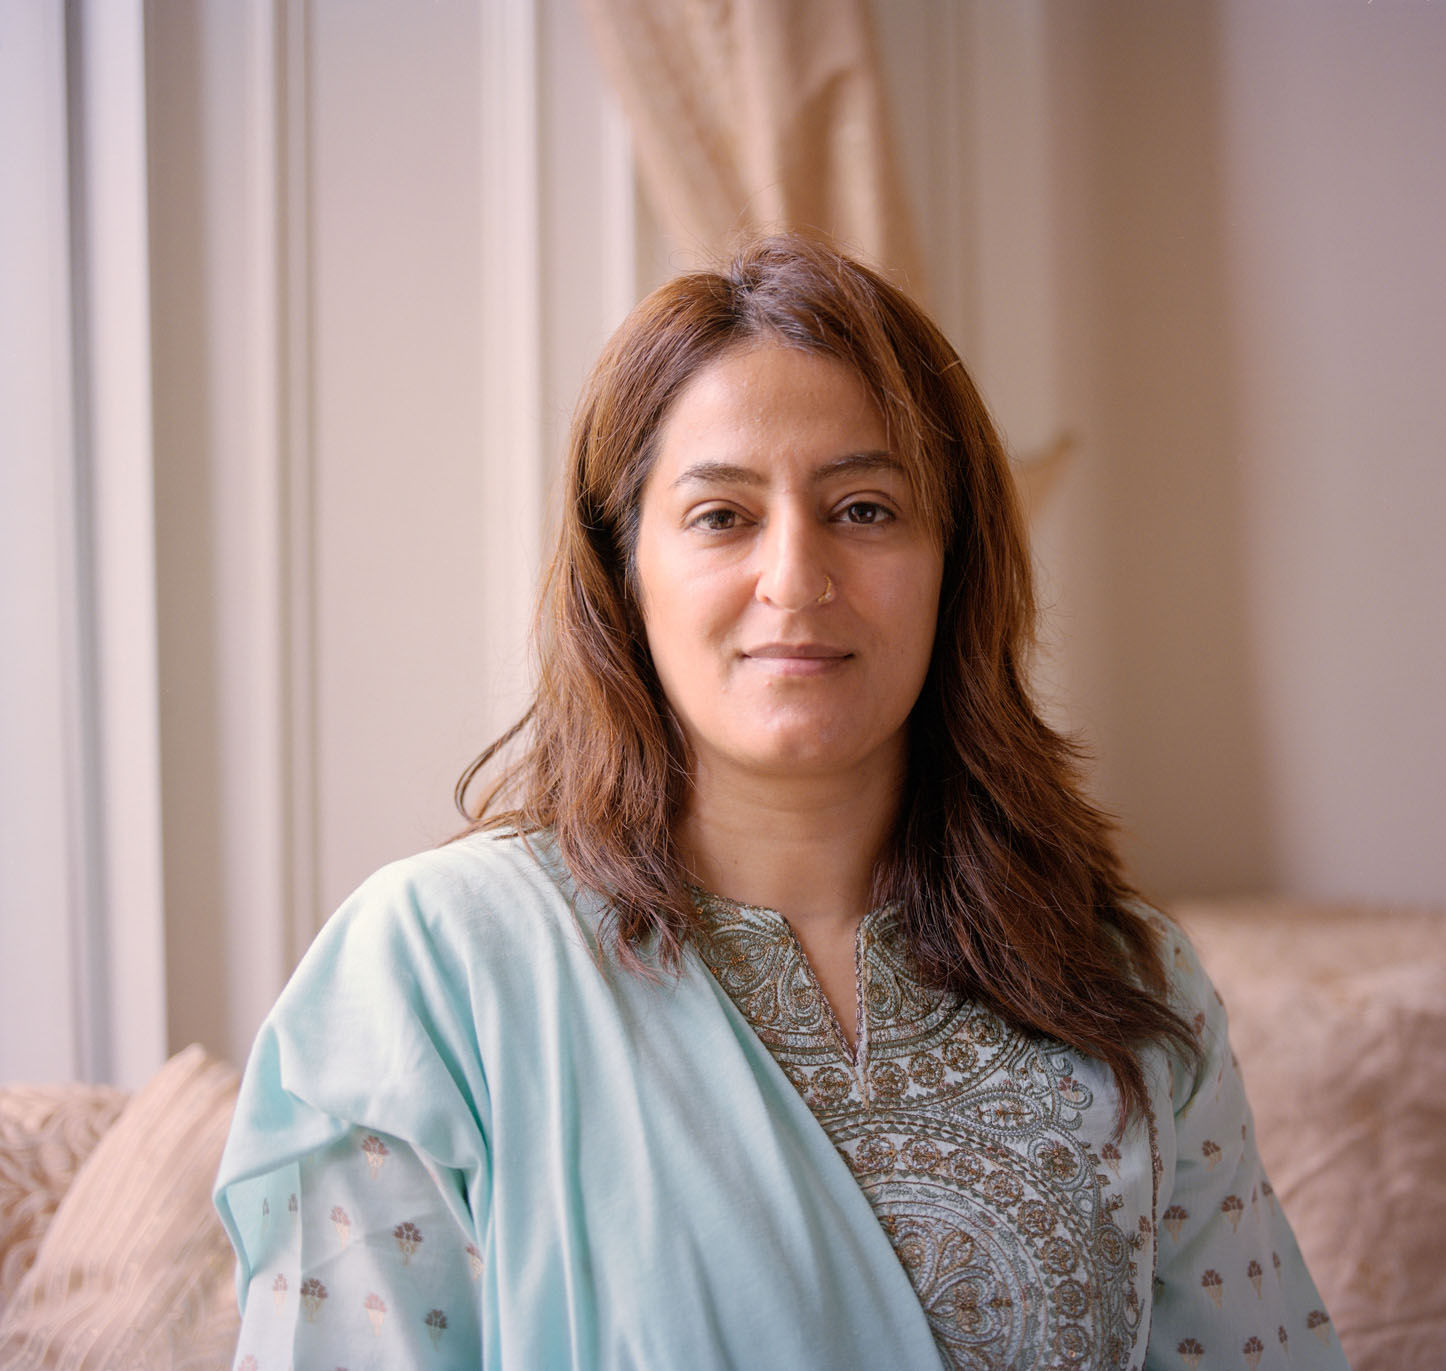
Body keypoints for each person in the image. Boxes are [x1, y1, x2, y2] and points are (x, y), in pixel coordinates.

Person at [215, 234, 1347, 1370]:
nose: (796, 579)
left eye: (864, 509)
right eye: (721, 516)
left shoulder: (1122, 977)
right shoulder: (434, 973)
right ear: (624, 574)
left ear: (956, 565)